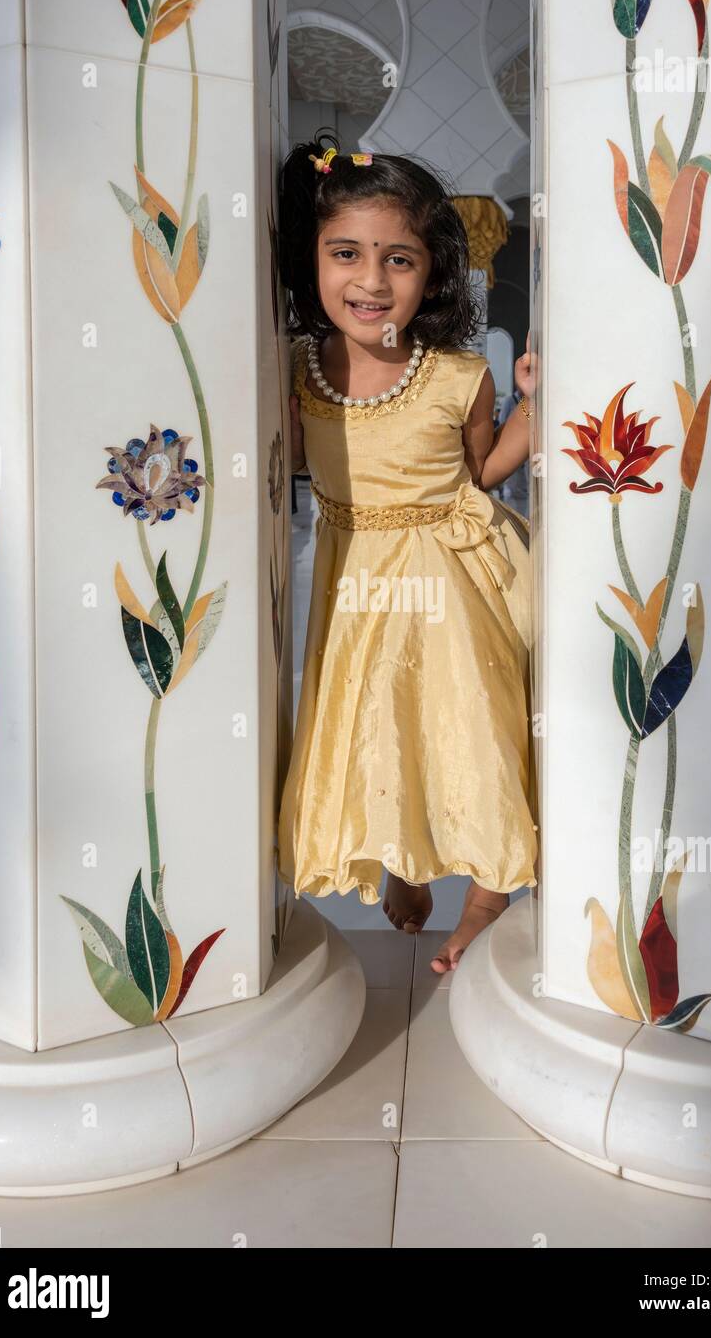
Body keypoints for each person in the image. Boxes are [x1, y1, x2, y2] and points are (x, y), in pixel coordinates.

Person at [276, 132, 539, 973]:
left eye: (400, 260)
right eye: (346, 253)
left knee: (470, 727)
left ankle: (490, 893)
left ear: (432, 275)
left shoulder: (458, 374)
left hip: (451, 581)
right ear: (310, 257)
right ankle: (406, 863)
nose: (371, 280)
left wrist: (535, 406)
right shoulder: (290, 367)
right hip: (353, 580)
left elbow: (484, 470)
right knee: (383, 726)